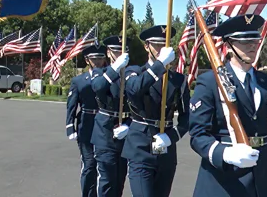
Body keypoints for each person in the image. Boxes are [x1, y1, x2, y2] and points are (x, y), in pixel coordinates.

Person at [188, 14, 267, 197]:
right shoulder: (210, 83)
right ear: (228, 45)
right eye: (244, 41)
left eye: (255, 40)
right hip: (224, 182)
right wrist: (224, 153)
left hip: (263, 183)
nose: (252, 45)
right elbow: (197, 135)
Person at [122, 25, 190, 197]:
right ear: (146, 46)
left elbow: (187, 117)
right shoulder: (134, 72)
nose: (161, 49)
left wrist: (172, 136)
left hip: (166, 150)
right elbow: (135, 89)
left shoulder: (179, 80)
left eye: (165, 44)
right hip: (140, 148)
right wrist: (159, 65)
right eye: (157, 44)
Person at [90, 35, 140, 197]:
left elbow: (138, 101)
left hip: (126, 130)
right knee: (107, 181)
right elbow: (98, 87)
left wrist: (129, 126)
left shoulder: (132, 72)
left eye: (123, 51)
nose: (119, 54)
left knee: (119, 181)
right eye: (116, 51)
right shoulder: (100, 72)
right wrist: (116, 68)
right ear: (108, 52)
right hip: (105, 134)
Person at [66, 43, 108, 197]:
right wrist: (70, 126)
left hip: (105, 123)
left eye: (100, 58)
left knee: (103, 166)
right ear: (87, 60)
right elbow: (72, 104)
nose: (97, 62)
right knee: (89, 165)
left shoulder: (109, 77)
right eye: (94, 59)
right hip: (86, 124)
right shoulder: (79, 80)